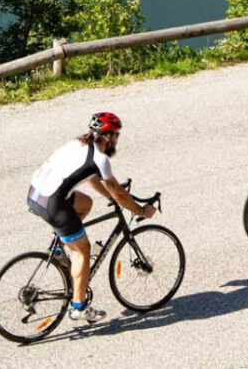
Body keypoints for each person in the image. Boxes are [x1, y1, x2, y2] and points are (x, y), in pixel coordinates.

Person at [27, 111, 156, 324]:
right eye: (116, 135)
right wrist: (141, 211)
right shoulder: (100, 158)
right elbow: (121, 194)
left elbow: (91, 177)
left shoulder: (77, 144)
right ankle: (79, 307)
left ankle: (58, 249)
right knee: (83, 251)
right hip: (53, 203)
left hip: (36, 195)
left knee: (85, 204)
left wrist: (111, 196)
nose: (117, 140)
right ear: (108, 136)